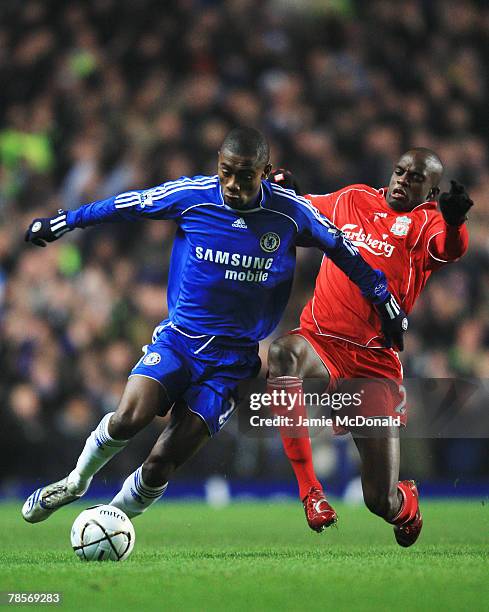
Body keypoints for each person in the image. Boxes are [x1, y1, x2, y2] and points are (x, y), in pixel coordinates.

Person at [21, 127, 407, 523]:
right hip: (179, 341)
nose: (233, 184)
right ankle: (75, 482)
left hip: (233, 363)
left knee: (160, 465)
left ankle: (108, 520)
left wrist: (384, 298)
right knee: (129, 417)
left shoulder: (289, 213)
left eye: (244, 175)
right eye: (226, 172)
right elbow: (127, 204)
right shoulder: (192, 197)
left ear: (265, 172)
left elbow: (345, 250)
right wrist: (65, 221)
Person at [268, 149, 472, 546]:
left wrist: (455, 220)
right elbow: (304, 209)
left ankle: (404, 504)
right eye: (399, 172)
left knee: (379, 499)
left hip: (372, 364)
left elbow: (450, 248)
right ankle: (311, 492)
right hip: (322, 341)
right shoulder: (352, 199)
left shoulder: (424, 222)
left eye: (415, 179)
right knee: (282, 354)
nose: (401, 181)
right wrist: (286, 190)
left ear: (430, 193)